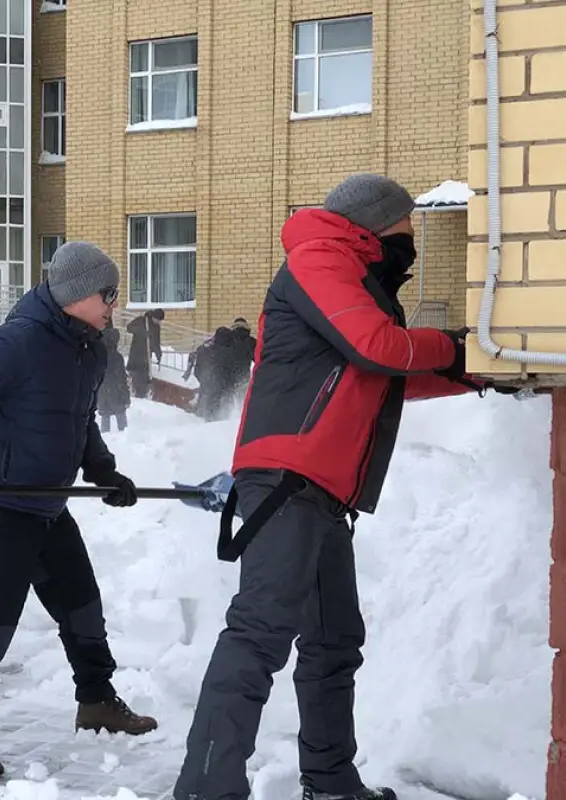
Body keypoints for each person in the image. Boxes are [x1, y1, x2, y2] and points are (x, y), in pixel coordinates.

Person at [172, 174, 506, 800]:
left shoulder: (359, 278)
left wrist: (474, 374)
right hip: (285, 479)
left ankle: (328, 781)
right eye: (407, 228)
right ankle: (205, 790)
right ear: (377, 224)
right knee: (260, 634)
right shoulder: (319, 258)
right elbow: (378, 348)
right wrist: (460, 347)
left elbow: (382, 375)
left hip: (321, 491)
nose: (412, 242)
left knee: (333, 642)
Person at [0, 241, 158, 781]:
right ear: (76, 294)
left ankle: (95, 699)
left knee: (83, 609)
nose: (114, 304)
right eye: (108, 294)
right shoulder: (19, 341)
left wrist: (102, 470)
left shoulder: (88, 346)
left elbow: (78, 418)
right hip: (3, 504)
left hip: (48, 504)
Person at [183, 318, 257, 421]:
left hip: (216, 383)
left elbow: (199, 366)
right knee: (240, 407)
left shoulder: (219, 344)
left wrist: (205, 379)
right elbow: (259, 359)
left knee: (211, 409)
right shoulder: (251, 342)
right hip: (240, 380)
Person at [97, 325, 130, 432]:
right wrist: (126, 397)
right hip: (116, 392)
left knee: (105, 420)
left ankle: (105, 440)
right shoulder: (117, 357)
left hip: (102, 392)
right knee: (122, 423)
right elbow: (121, 378)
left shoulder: (98, 355)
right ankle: (126, 440)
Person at [125, 308, 163, 399]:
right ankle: (133, 393)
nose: (158, 322)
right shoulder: (142, 320)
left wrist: (158, 353)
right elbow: (129, 328)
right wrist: (143, 332)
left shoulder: (156, 327)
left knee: (144, 375)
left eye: (160, 321)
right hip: (136, 352)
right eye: (157, 320)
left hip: (146, 356)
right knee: (135, 373)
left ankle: (141, 394)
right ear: (153, 317)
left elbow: (156, 341)